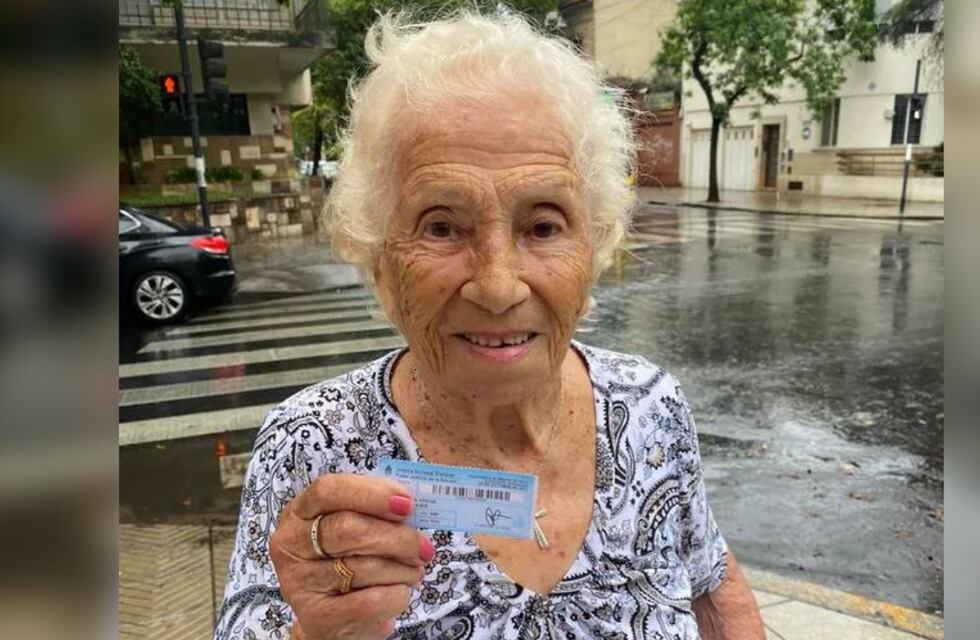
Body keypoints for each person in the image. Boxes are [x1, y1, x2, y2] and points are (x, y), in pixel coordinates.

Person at [216, 10, 764, 640]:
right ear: (378, 256)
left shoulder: (650, 408)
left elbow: (711, 579)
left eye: (543, 225)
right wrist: (318, 634)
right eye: (442, 226)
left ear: (594, 246)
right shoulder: (309, 447)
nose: (499, 288)